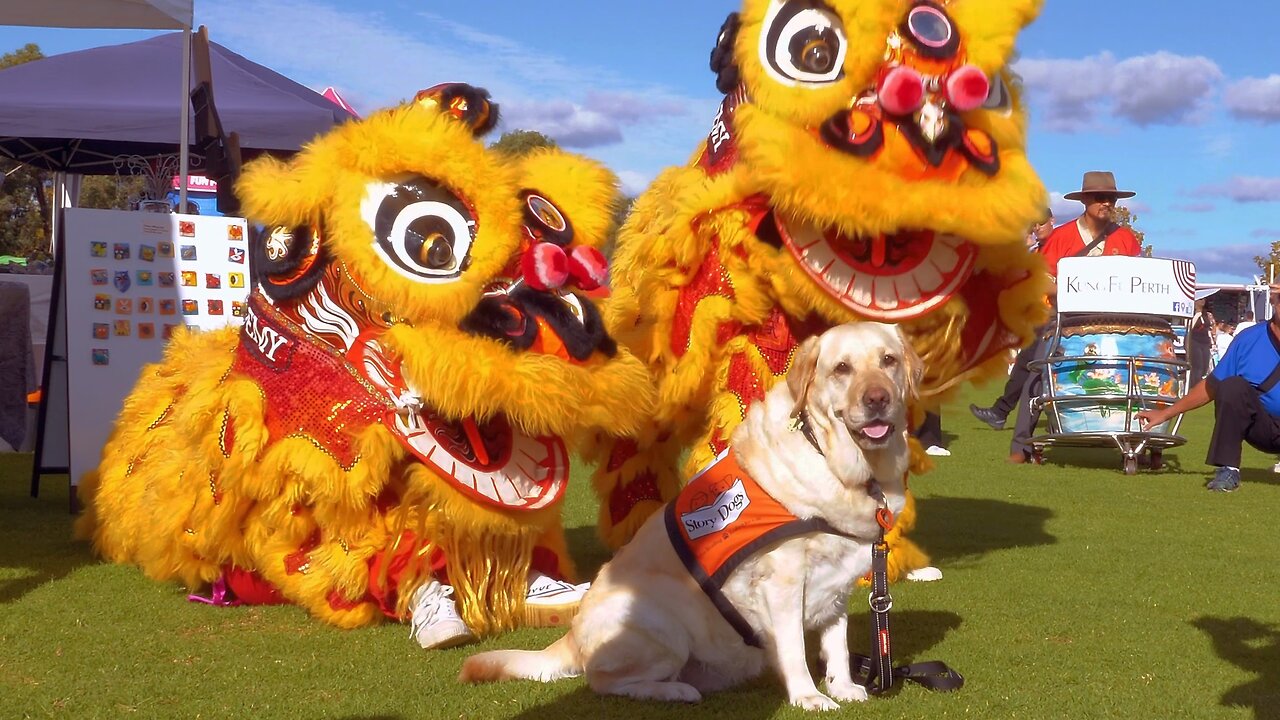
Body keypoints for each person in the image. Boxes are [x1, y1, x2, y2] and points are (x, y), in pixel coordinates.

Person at [1008, 172, 1142, 463]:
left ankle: (1139, 442)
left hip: (1115, 325)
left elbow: (1137, 282)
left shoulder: (1127, 240)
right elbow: (1041, 281)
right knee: (1037, 372)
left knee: (1136, 373)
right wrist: (1077, 292)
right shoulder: (1061, 238)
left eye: (1110, 198)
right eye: (1098, 197)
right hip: (1064, 319)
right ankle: (1021, 446)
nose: (1106, 203)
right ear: (1085, 201)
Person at [1136, 286, 1280, 492]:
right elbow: (1212, 386)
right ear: (1273, 300)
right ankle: (1228, 469)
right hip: (1262, 428)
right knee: (1232, 386)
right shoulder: (1249, 339)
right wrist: (1166, 413)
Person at [969, 208, 1055, 432]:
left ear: (1052, 221)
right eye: (1034, 224)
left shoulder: (1060, 246)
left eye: (1041, 223)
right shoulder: (1037, 252)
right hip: (1039, 316)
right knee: (1029, 366)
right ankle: (1002, 412)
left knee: (1033, 367)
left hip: (1055, 315)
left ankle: (1003, 412)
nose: (1037, 228)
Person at [1188, 299, 1217, 383]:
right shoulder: (1192, 313)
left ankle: (1199, 382)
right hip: (1195, 341)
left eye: (1204, 299)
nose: (1203, 301)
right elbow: (1190, 327)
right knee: (1198, 366)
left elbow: (1210, 327)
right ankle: (1194, 386)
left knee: (1205, 367)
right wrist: (1197, 315)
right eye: (1200, 299)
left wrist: (1212, 339)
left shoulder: (1206, 314)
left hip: (1205, 342)